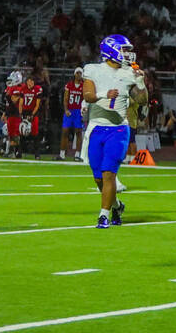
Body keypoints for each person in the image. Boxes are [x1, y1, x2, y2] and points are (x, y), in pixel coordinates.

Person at [81, 34, 146, 228]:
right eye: (124, 50)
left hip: (118, 130)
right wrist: (104, 94)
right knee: (98, 178)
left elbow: (142, 100)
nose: (128, 54)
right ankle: (116, 206)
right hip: (97, 127)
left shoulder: (129, 73)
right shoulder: (92, 69)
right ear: (111, 50)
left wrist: (141, 84)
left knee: (109, 173)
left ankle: (103, 215)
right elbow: (88, 95)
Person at [57, 67, 86, 160]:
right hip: (70, 110)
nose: (79, 75)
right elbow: (65, 98)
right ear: (74, 74)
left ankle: (77, 155)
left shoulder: (83, 86)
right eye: (77, 73)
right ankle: (62, 154)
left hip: (78, 110)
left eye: (80, 73)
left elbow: (85, 99)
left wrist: (83, 111)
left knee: (78, 132)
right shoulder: (69, 85)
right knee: (65, 131)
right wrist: (66, 110)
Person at [17, 74, 44, 159]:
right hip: (24, 112)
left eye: (32, 81)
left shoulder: (37, 89)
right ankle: (19, 152)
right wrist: (21, 114)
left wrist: (32, 115)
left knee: (35, 133)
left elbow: (37, 105)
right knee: (21, 133)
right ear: (26, 81)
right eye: (29, 80)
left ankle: (37, 154)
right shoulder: (23, 89)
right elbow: (20, 103)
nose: (30, 82)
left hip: (33, 112)